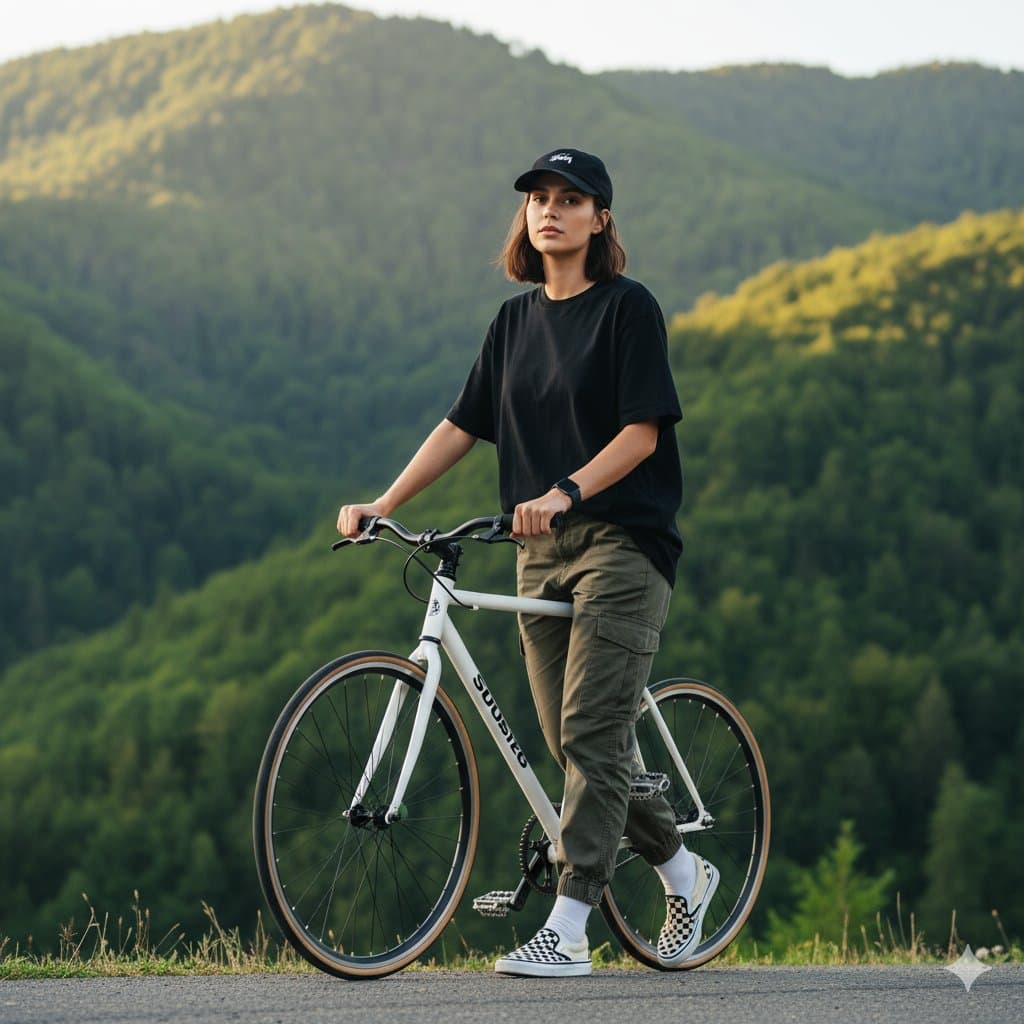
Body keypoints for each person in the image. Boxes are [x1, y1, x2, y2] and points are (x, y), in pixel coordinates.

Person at [337, 147, 718, 978]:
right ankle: (686, 871)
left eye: (570, 199)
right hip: (538, 553)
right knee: (578, 742)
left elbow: (643, 431)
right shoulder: (513, 322)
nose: (550, 210)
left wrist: (566, 491)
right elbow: (461, 424)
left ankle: (571, 927)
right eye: (539, 198)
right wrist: (386, 502)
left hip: (622, 541)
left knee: (588, 731)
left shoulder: (627, 309)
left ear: (600, 219)